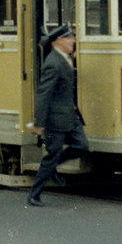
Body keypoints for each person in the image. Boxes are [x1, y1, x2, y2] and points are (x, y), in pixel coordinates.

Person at [27, 29, 88, 207]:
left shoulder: (64, 58)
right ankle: (34, 194)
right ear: (58, 41)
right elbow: (43, 94)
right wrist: (38, 122)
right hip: (56, 118)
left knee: (82, 146)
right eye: (70, 38)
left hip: (70, 115)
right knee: (52, 155)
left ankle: (53, 167)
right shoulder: (53, 63)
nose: (73, 41)